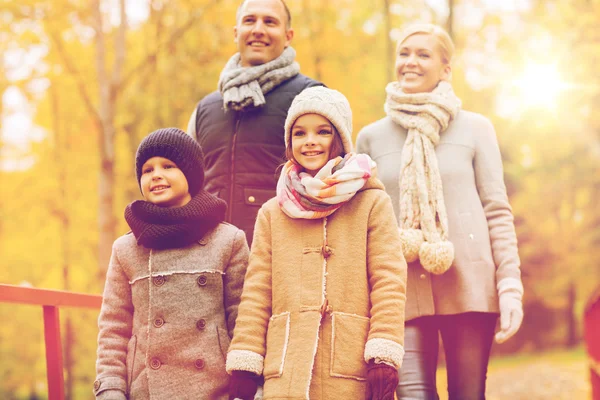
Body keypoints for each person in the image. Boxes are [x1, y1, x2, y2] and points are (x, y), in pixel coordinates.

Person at [356, 24, 524, 399]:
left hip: (470, 287)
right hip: (400, 290)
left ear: (446, 69)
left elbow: (497, 210)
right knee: (414, 395)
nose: (410, 62)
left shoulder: (476, 128)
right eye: (404, 53)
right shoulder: (371, 137)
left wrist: (510, 285)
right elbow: (364, 222)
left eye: (423, 54)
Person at [224, 86, 408, 400]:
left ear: (340, 139)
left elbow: (389, 280)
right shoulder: (272, 212)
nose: (310, 141)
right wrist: (245, 358)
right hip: (287, 367)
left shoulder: (371, 203)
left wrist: (383, 352)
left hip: (349, 364)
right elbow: (257, 291)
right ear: (289, 142)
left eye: (322, 131)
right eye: (299, 133)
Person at [94, 128, 249, 400]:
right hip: (146, 391)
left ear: (190, 174)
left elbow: (242, 318)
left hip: (216, 388)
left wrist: (245, 380)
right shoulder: (126, 248)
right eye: (147, 169)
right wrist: (110, 388)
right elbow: (113, 328)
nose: (156, 174)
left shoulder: (228, 240)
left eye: (168, 165)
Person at [186, 0, 322, 246]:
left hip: (283, 252)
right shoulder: (206, 108)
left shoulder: (310, 97)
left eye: (270, 22)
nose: (258, 29)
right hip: (211, 257)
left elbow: (332, 181)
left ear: (288, 35)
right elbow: (187, 189)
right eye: (250, 20)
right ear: (236, 32)